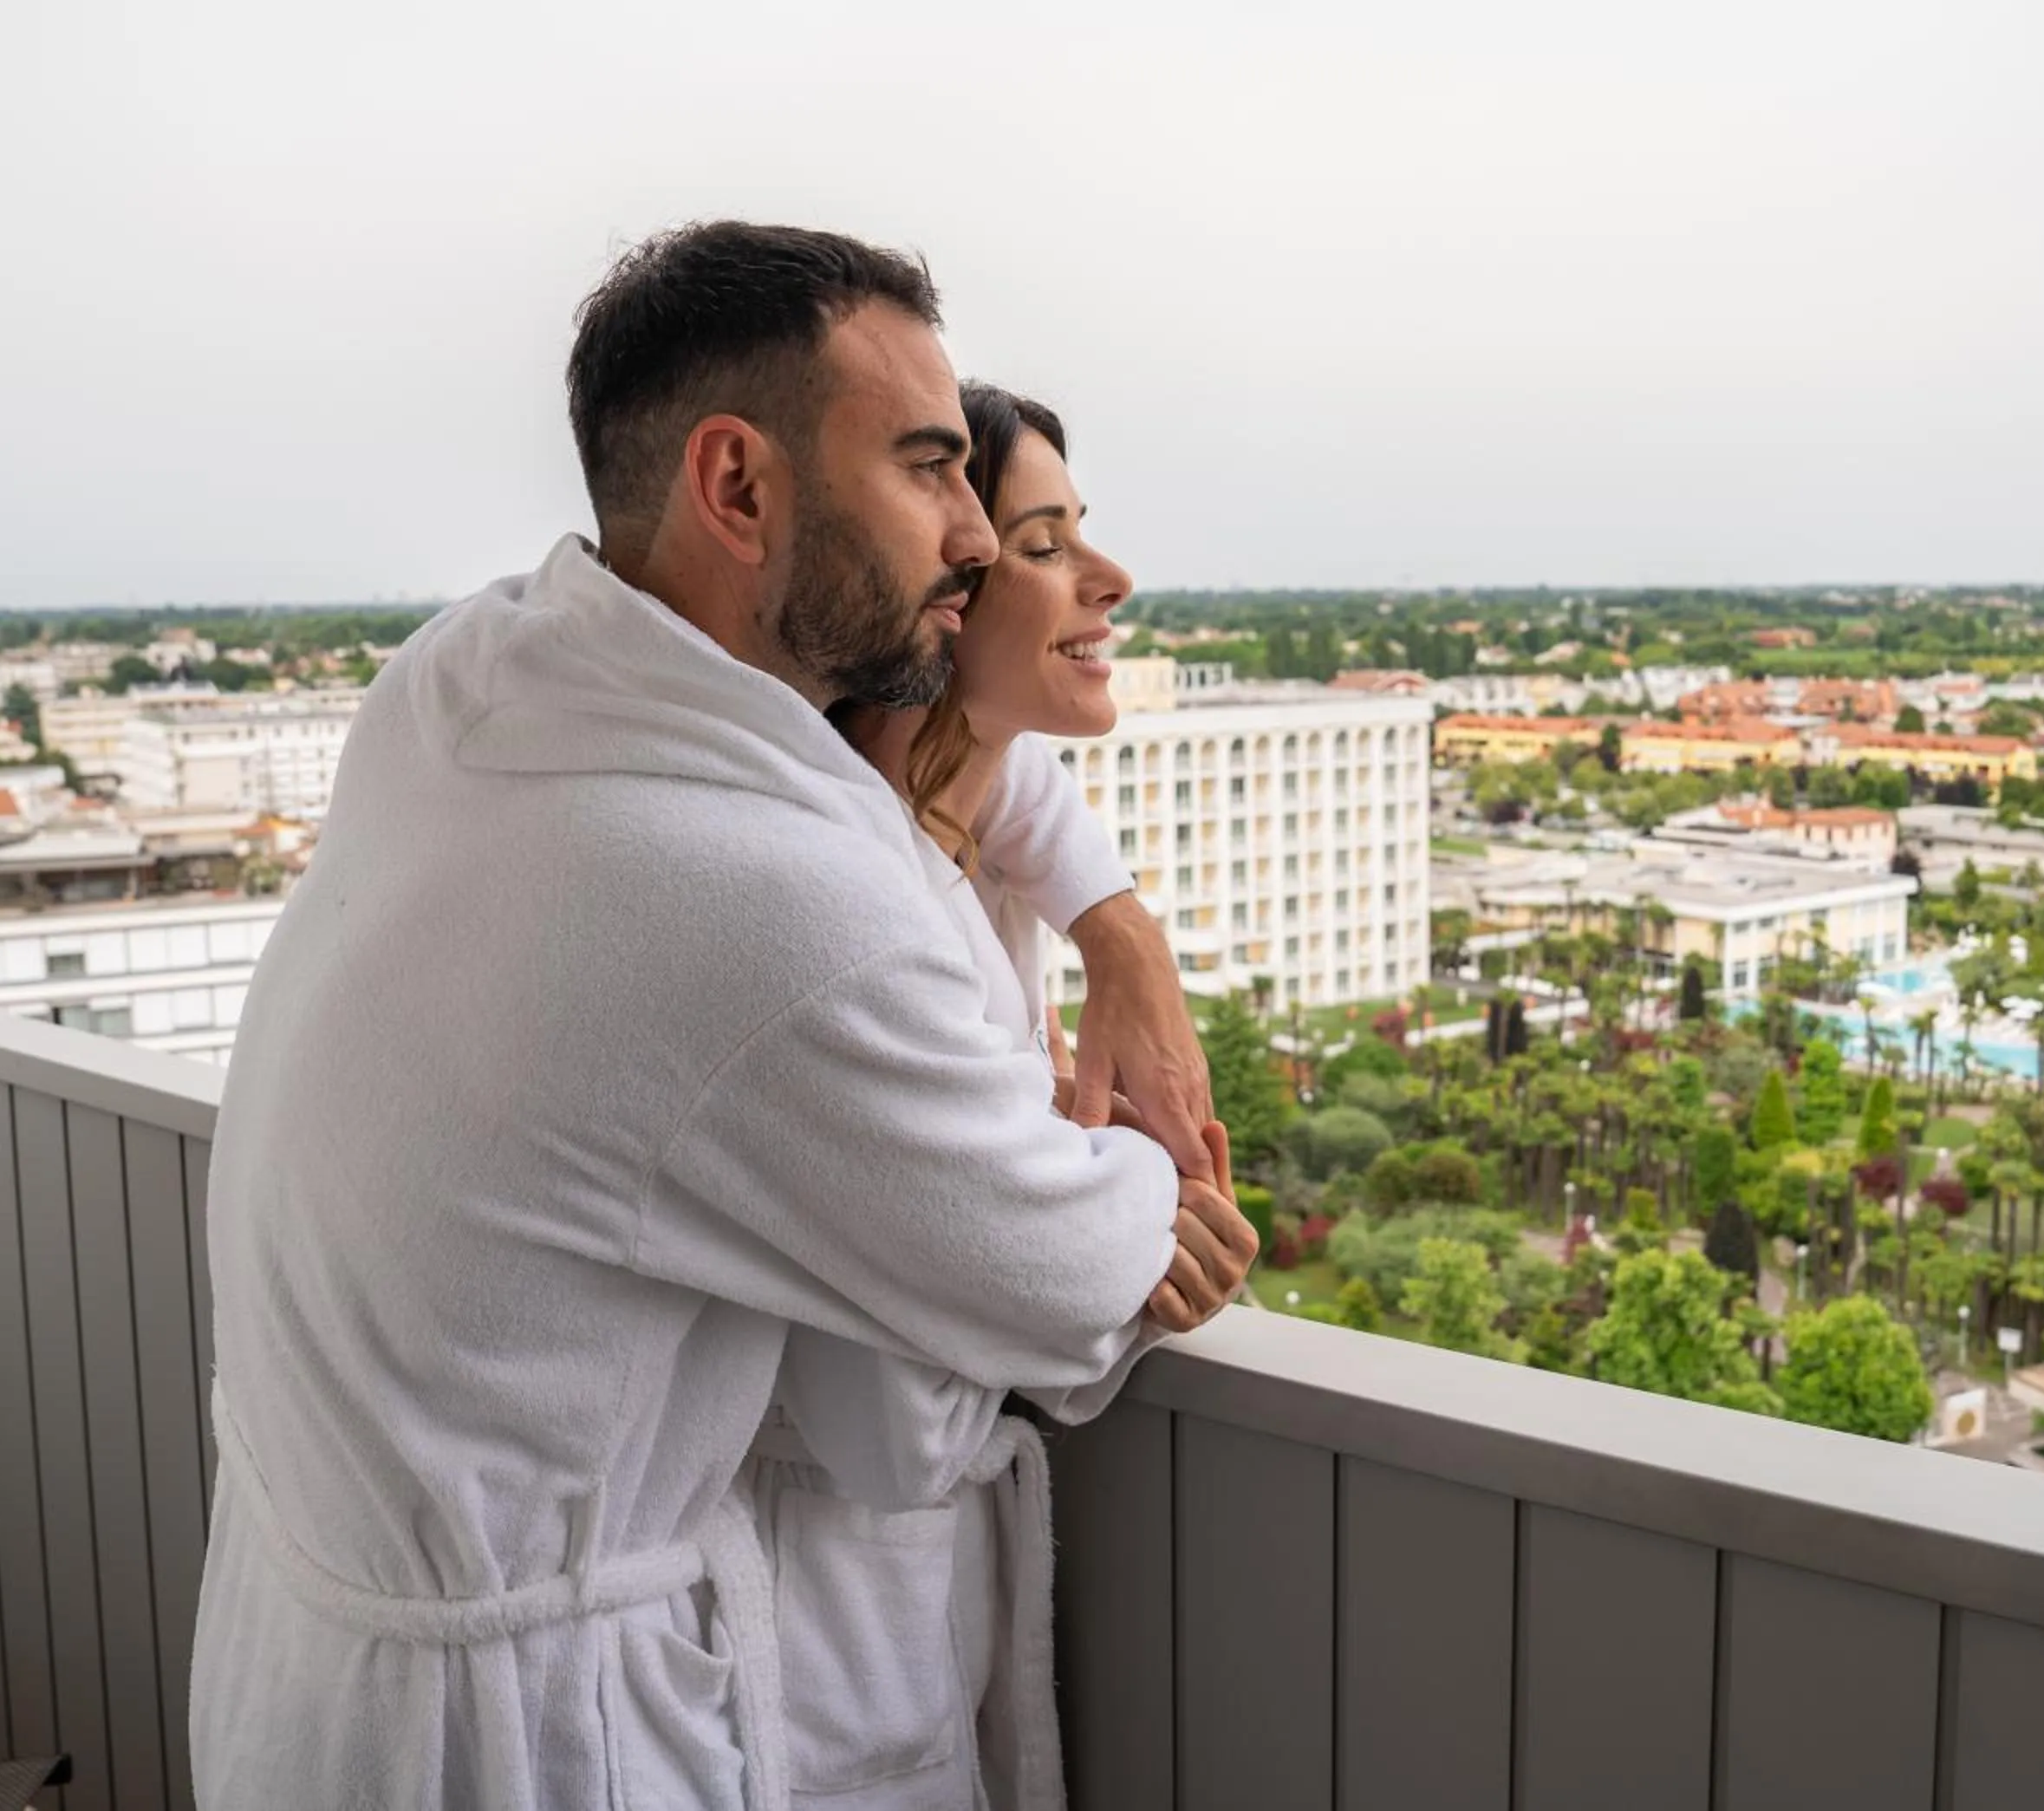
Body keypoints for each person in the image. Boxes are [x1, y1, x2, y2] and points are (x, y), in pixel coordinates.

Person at [191, 223, 1259, 1809]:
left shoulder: (477, 680)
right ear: (739, 486)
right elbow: (1059, 1273)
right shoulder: (750, 890)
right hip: (527, 1746)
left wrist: (1121, 931)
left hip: (302, 1661)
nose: (972, 538)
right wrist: (1149, 1193)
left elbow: (958, 755)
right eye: (926, 470)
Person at [751, 382, 1170, 1809]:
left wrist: (1124, 927)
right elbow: (890, 1407)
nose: (1109, 580)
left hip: (885, 1617)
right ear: (947, 596)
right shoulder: (867, 920)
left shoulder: (965, 841)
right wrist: (1120, 1205)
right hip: (819, 1651)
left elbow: (1019, 787)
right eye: (1044, 542)